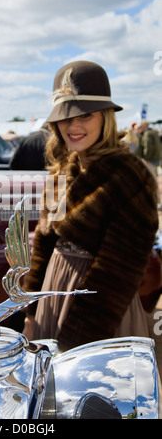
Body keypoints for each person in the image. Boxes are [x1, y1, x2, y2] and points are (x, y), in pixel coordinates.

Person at [22, 61, 158, 352]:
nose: (74, 125)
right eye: (64, 115)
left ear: (105, 116)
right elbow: (43, 246)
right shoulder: (60, 173)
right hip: (52, 295)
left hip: (101, 314)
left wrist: (77, 339)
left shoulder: (130, 177)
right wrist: (31, 313)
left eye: (85, 114)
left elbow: (117, 273)